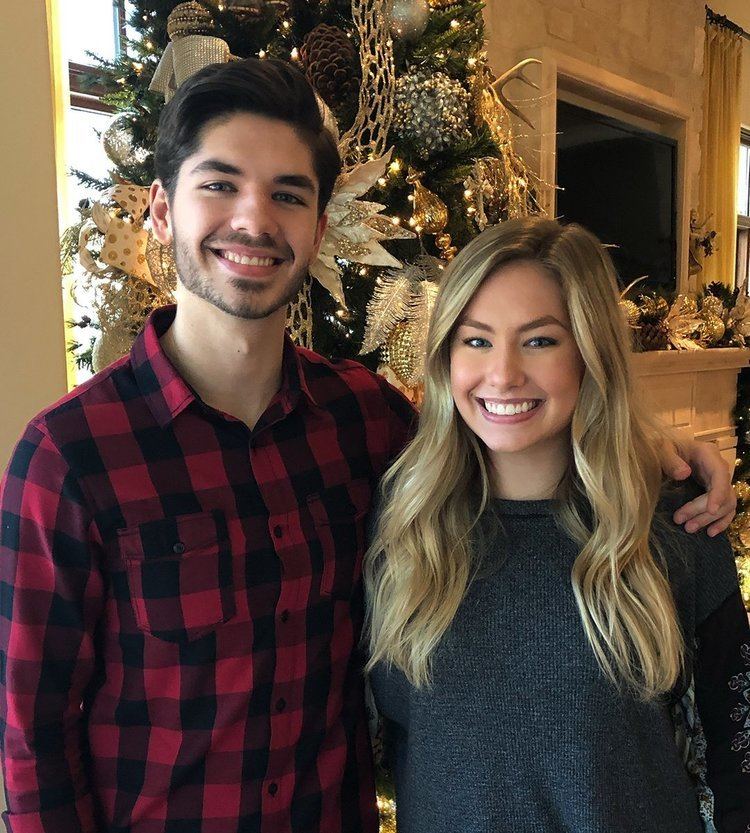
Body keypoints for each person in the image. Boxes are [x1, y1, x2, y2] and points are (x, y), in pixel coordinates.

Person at [0, 58, 735, 833]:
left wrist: (656, 445)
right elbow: (32, 738)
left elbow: (503, 424)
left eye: (287, 194)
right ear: (160, 210)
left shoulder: (366, 421)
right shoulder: (71, 456)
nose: (254, 219)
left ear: (319, 228)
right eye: (219, 184)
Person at [365, 217, 750, 833]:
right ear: (445, 356)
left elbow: (738, 761)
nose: (503, 374)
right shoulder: (401, 527)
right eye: (476, 339)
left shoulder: (676, 527)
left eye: (540, 341)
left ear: (589, 353)